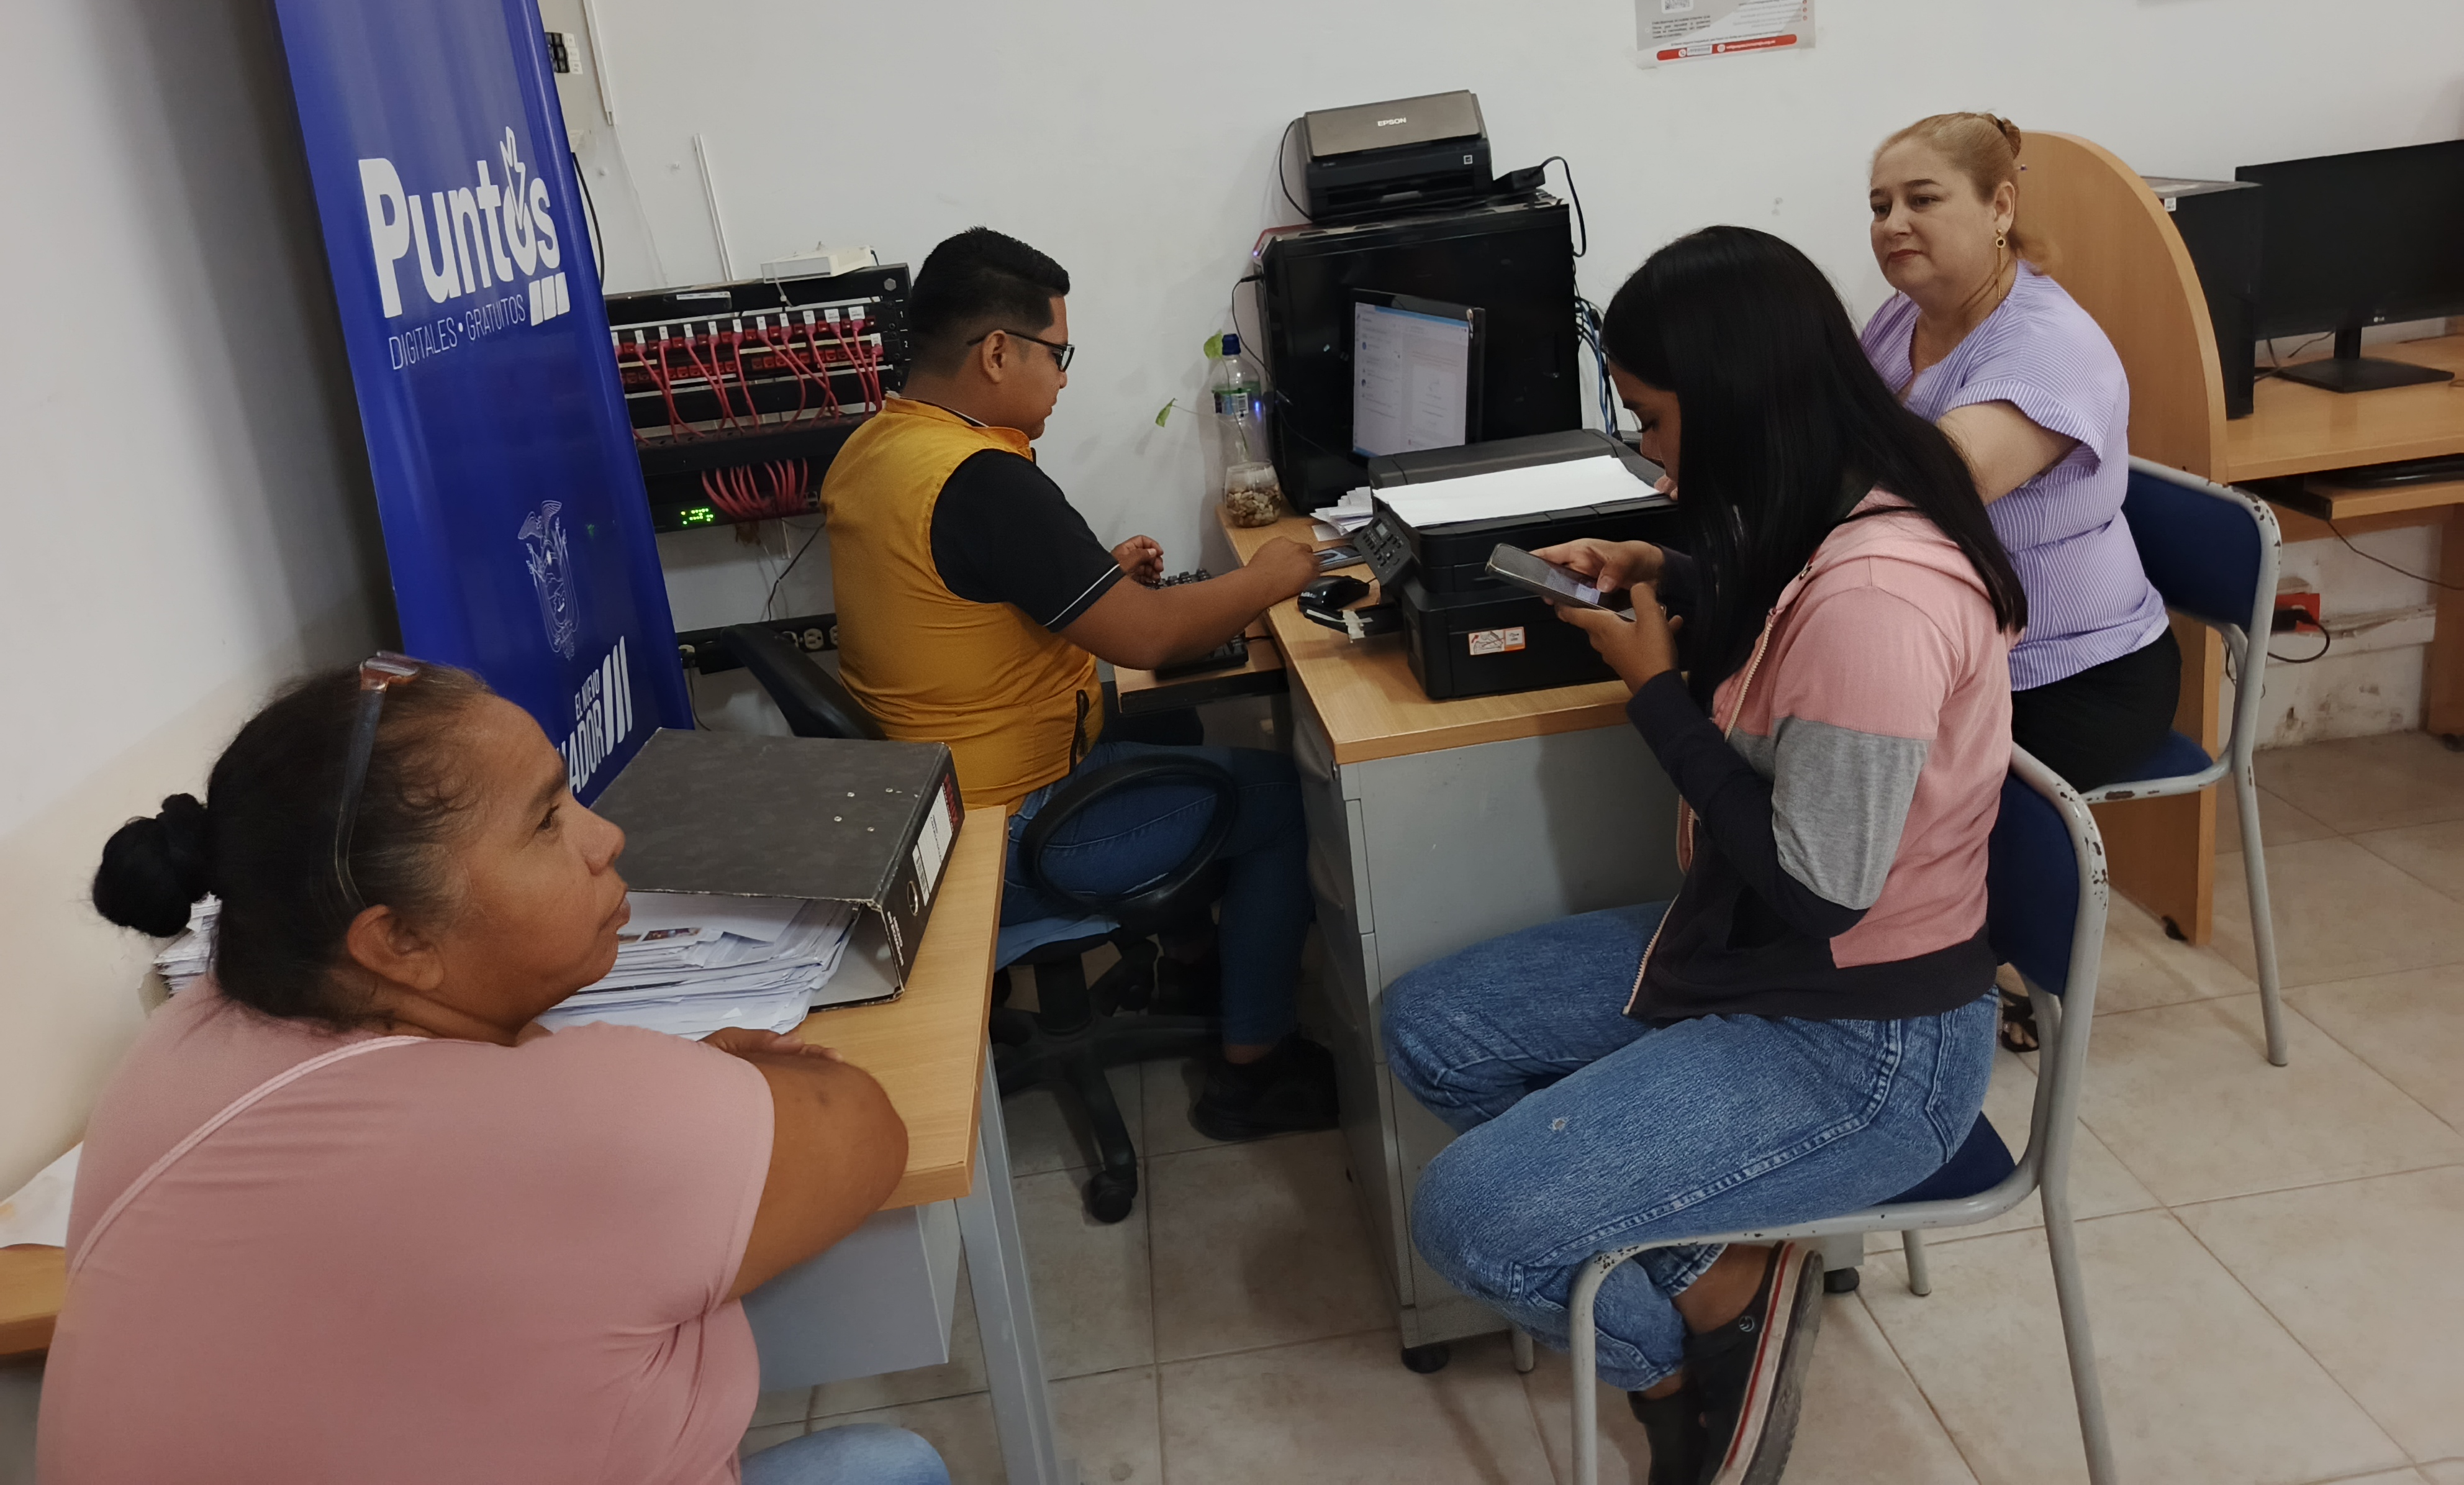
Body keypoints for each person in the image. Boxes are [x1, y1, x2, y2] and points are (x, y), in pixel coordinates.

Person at [1380, 227, 2018, 1485]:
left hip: (1860, 1036)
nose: (1648, 449)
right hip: (1749, 948)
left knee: (1467, 1220)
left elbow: (1818, 889)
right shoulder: (1834, 499)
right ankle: (1720, 1278)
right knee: (1433, 1028)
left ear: (1738, 403)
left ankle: (1679, 1376)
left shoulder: (1878, 599)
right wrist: (1666, 566)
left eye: (1656, 420)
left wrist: (1657, 696)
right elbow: (1782, 597)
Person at [40, 659, 949, 1485]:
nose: (606, 837)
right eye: (547, 822)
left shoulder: (180, 1039)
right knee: (895, 1467)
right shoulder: (573, 1131)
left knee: (882, 1464)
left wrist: (672, 1100)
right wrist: (679, 1096)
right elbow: (861, 1126)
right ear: (399, 940)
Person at [820, 227, 1336, 1140]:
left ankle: (1192, 970)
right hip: (1003, 835)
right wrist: (1274, 574)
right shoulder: (983, 480)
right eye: (1058, 355)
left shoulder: (878, 447)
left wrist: (1097, 578)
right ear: (996, 352)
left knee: (1174, 731)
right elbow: (1152, 636)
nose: (1063, 379)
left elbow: (954, 591)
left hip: (928, 814)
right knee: (1285, 800)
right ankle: (1253, 1072)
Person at [1862, 112, 2180, 794]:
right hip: (1953, 654)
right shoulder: (1902, 317)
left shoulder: (2048, 344)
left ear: (1999, 207)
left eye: (1922, 200)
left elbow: (1933, 487)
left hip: (2067, 678)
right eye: (1880, 207)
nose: (1893, 224)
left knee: (1840, 774)